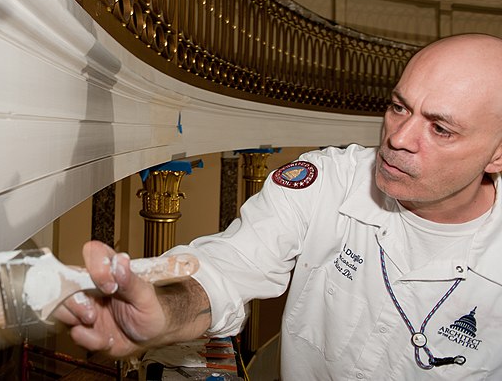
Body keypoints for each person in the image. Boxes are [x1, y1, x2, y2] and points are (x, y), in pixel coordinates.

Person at [55, 33, 502, 379]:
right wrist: (163, 308)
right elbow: (228, 266)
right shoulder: (328, 181)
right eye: (398, 108)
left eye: (440, 128)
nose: (398, 138)